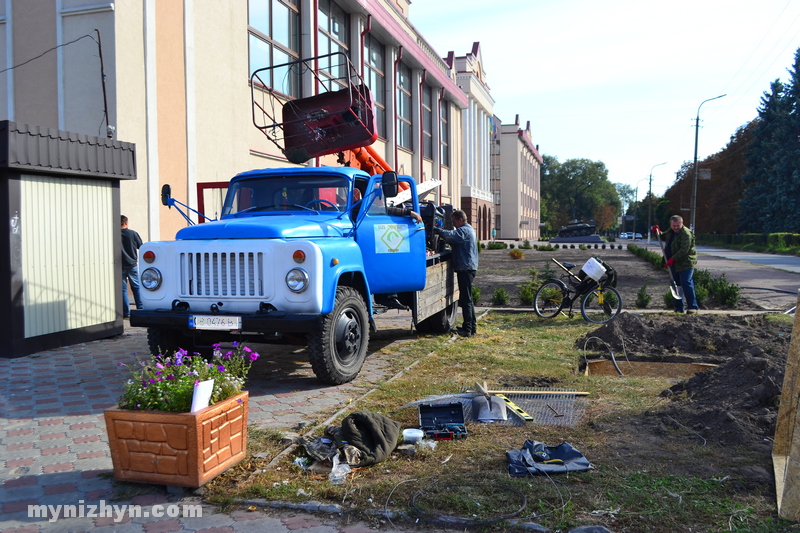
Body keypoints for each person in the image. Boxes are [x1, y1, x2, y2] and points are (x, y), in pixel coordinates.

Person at [434, 210, 478, 336]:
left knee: (466, 300)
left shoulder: (464, 230)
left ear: (460, 220)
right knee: (467, 299)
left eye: (454, 222)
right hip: (468, 267)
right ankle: (471, 327)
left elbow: (452, 236)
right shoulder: (468, 229)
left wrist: (438, 231)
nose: (453, 224)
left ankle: (467, 329)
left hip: (466, 268)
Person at [660, 215, 698, 314]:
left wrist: (673, 259)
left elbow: (684, 250)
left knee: (686, 283)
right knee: (675, 285)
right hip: (674, 264)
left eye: (678, 225)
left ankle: (692, 307)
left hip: (686, 263)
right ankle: (678, 308)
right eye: (674, 225)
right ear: (671, 225)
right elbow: (663, 237)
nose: (676, 227)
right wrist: (657, 231)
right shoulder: (671, 231)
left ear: (682, 223)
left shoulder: (686, 234)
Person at [121, 215, 144, 318]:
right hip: (132, 265)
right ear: (126, 223)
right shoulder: (133, 234)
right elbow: (141, 246)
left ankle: (126, 313)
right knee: (136, 287)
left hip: (119, 266)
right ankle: (141, 308)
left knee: (123, 290)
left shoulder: (114, 235)